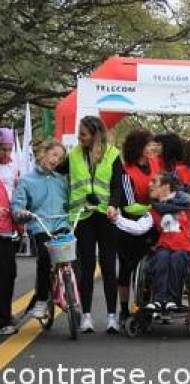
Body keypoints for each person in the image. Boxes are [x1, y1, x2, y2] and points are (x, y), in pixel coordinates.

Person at [111, 173, 190, 311]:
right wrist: (118, 220)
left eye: (154, 182)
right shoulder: (155, 210)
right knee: (161, 257)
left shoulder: (188, 204)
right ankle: (158, 300)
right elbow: (139, 228)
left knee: (177, 258)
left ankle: (172, 300)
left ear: (166, 187)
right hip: (165, 246)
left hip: (186, 247)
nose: (149, 184)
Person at [63, 115, 123, 333]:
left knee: (108, 267)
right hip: (82, 216)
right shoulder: (73, 155)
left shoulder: (112, 154)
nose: (80, 138)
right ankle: (86, 316)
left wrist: (114, 205)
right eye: (79, 133)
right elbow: (55, 170)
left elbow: (117, 185)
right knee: (86, 267)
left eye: (84, 134)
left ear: (96, 134)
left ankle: (112, 317)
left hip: (106, 216)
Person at [12, 140, 69, 319]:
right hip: (40, 225)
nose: (56, 160)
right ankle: (42, 300)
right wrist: (21, 212)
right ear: (43, 153)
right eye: (54, 155)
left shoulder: (62, 180)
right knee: (45, 257)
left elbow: (70, 202)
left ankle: (72, 294)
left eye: (60, 158)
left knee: (72, 256)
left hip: (61, 224)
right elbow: (17, 205)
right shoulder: (26, 180)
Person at [118, 128, 162, 324]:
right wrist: (152, 207)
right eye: (149, 144)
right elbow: (128, 206)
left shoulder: (155, 164)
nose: (152, 147)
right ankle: (124, 309)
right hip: (131, 224)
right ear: (139, 147)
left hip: (154, 223)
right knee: (127, 268)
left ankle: (150, 304)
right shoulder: (126, 172)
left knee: (154, 265)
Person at [0, 128, 19, 335]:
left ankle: (5, 314)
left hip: (8, 227)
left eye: (9, 149)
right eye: (2, 149)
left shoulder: (13, 168)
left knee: (9, 273)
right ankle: (4, 318)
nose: (6, 154)